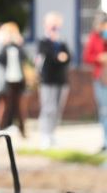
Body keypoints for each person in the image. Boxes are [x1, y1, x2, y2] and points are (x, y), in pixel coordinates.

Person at [36, 11, 70, 149]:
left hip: (61, 80)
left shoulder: (61, 42)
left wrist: (61, 56)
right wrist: (58, 57)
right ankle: (45, 134)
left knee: (57, 109)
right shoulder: (43, 41)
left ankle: (52, 133)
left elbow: (68, 57)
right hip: (48, 80)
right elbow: (49, 57)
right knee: (48, 108)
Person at [0, 22, 27, 137]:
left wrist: (20, 44)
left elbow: (25, 58)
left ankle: (23, 131)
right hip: (6, 81)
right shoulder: (3, 46)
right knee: (4, 107)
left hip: (18, 80)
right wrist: (5, 43)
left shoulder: (18, 47)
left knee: (19, 107)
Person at [83, 11, 107, 152]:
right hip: (101, 78)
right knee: (104, 110)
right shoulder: (94, 37)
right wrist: (99, 57)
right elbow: (87, 57)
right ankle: (105, 141)